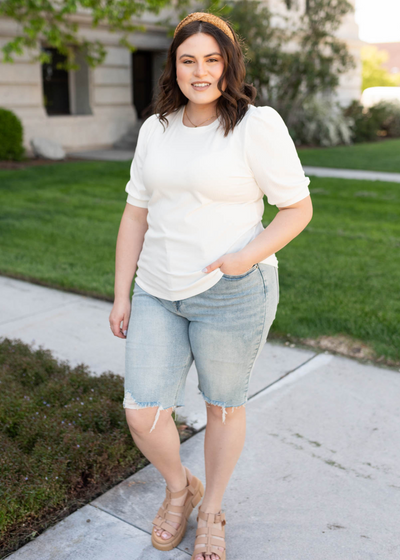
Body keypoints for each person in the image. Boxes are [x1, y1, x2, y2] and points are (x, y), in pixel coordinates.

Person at [109, 11, 313, 560]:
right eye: (187, 60)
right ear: (172, 67)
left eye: (211, 59)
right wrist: (122, 292)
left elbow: (297, 208)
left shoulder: (255, 125)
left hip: (232, 294)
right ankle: (181, 489)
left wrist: (244, 258)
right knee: (142, 413)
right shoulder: (156, 128)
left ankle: (214, 508)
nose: (199, 71)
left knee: (222, 406)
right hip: (157, 289)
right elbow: (135, 214)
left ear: (228, 64)